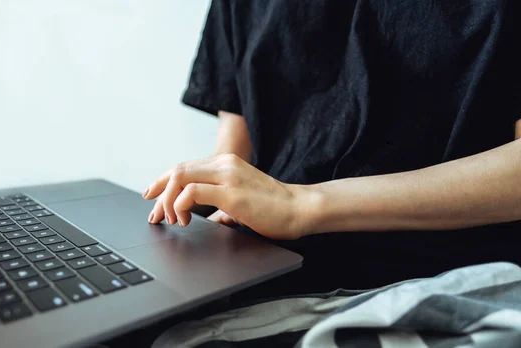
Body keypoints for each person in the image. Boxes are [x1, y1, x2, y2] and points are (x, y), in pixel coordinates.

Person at [110, 1, 521, 345]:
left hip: (437, 281)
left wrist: (303, 205)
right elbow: (235, 148)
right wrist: (202, 205)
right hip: (260, 270)